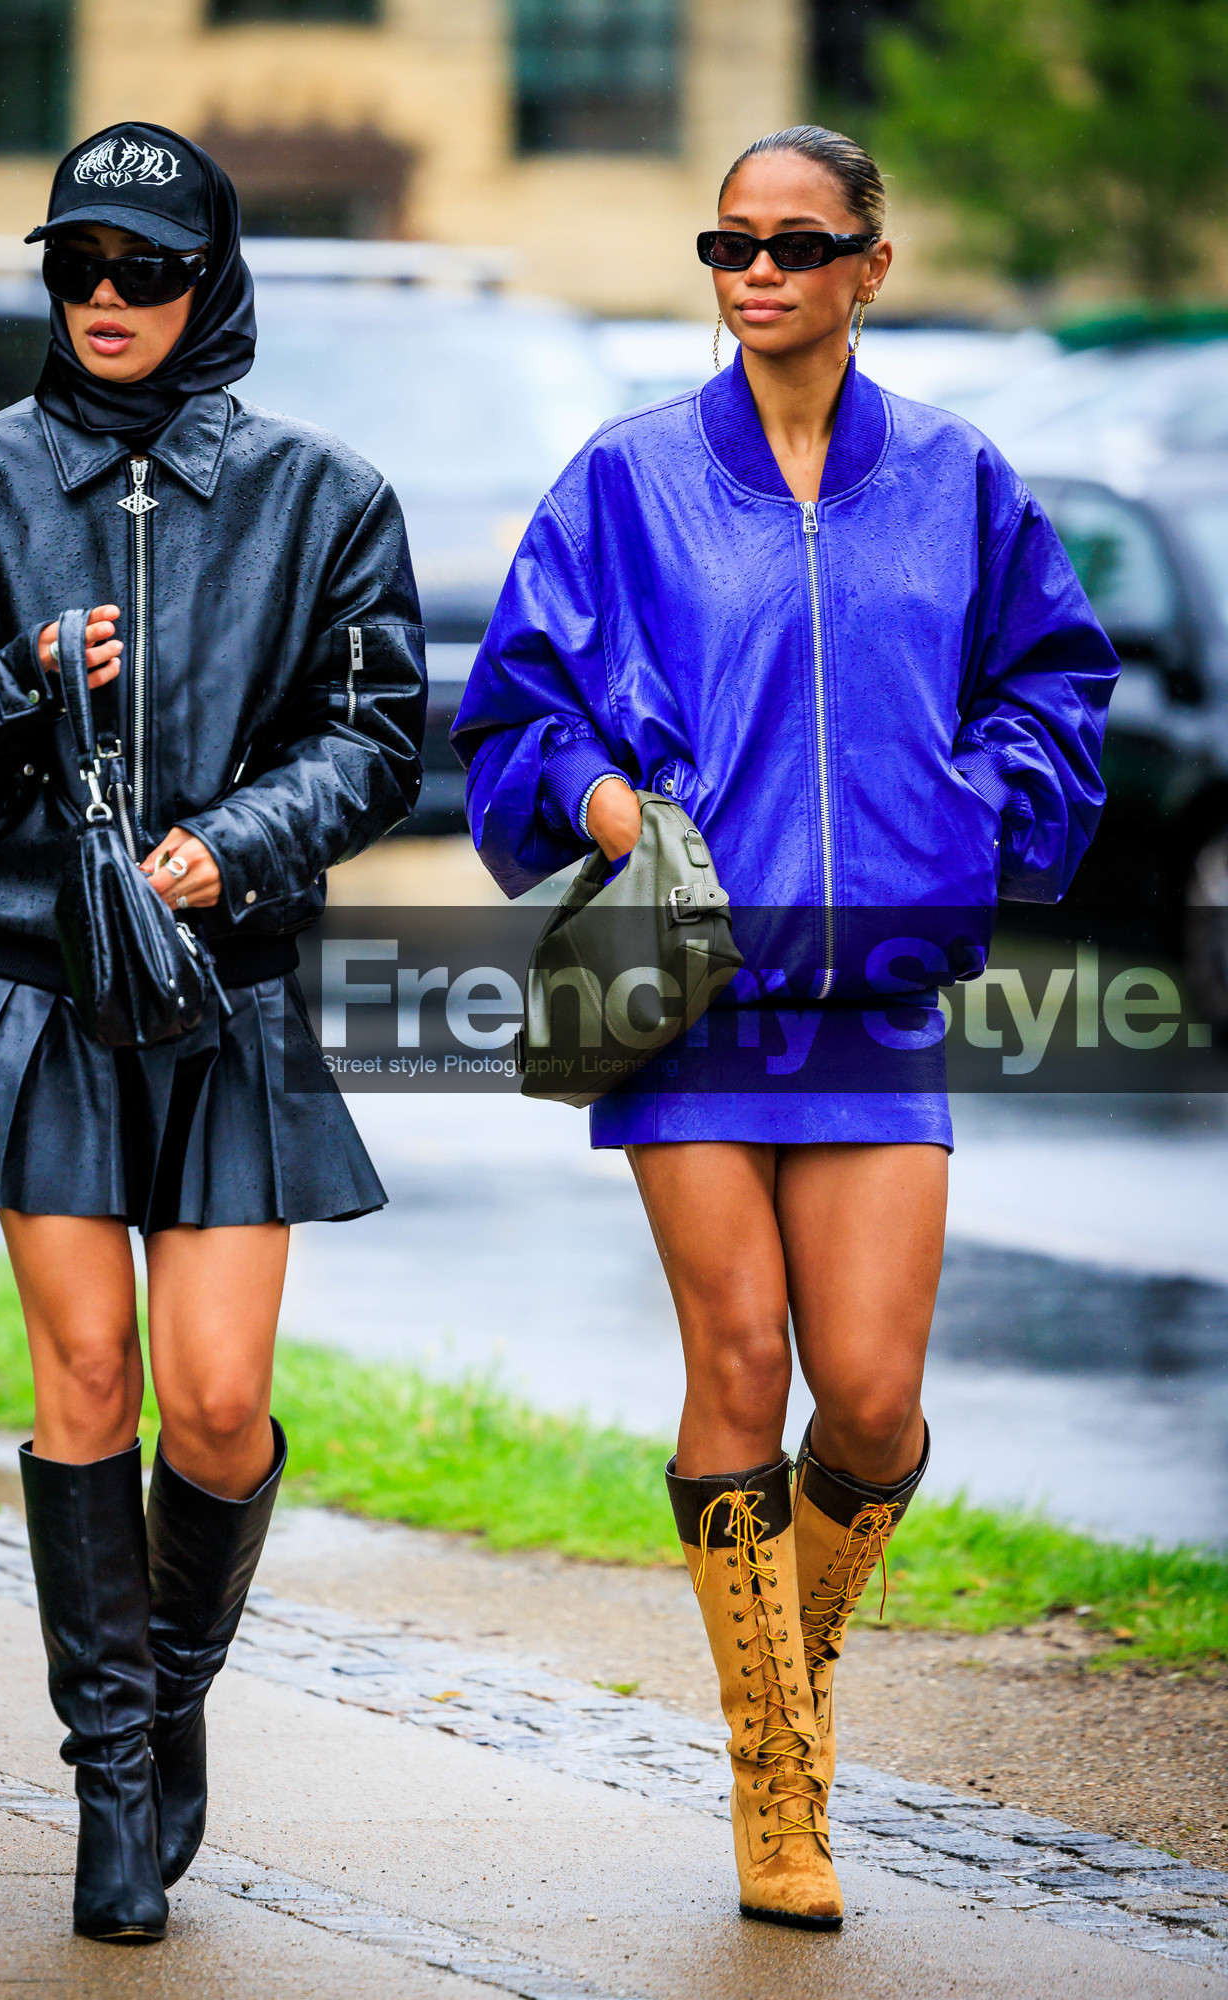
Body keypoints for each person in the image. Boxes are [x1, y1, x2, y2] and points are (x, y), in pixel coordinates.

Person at [452, 126, 1115, 1930]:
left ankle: (780, 1685)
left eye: (796, 243)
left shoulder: (962, 479)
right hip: (689, 1001)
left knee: (878, 1409)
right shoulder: (629, 480)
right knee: (742, 1366)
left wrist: (968, 814)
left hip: (877, 1003)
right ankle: (778, 1785)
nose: (757, 271)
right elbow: (518, 717)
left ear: (869, 264)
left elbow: (1057, 685)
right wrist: (605, 811)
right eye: (727, 243)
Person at [0, 123, 424, 1943]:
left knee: (225, 1406)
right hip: (32, 997)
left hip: (228, 996)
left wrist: (232, 847)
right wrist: (15, 683)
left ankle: (166, 1702)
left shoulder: (328, 499)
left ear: (210, 280)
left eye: (146, 270)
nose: (106, 300)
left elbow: (380, 738)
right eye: (78, 267)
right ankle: (109, 1786)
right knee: (87, 1381)